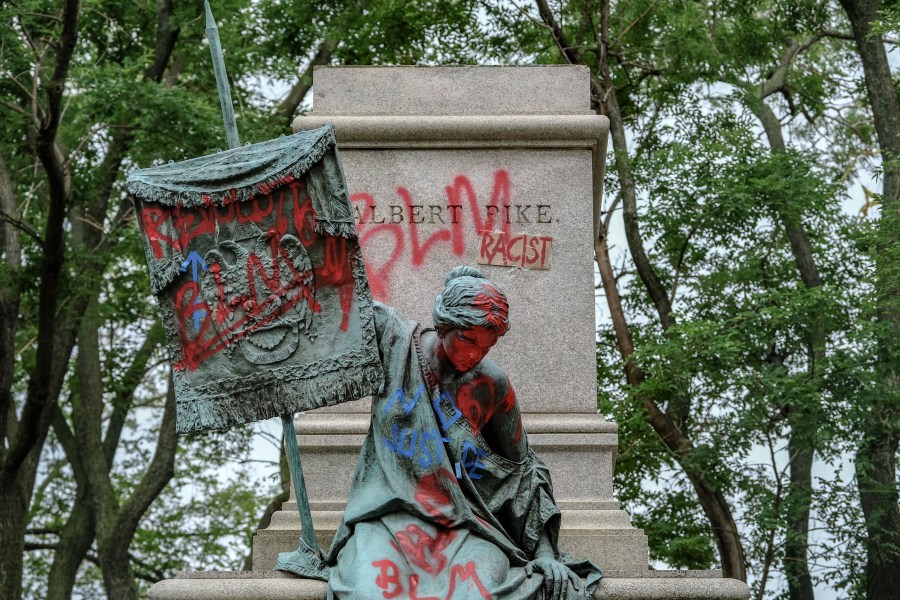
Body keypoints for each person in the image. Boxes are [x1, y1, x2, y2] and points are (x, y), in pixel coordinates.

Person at [326, 266, 602, 600]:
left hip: (467, 527)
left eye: (486, 347)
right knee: (368, 594)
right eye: (467, 340)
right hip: (388, 520)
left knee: (476, 594)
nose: (474, 355)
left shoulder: (490, 385)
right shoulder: (394, 341)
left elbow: (523, 471)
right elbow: (331, 300)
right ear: (444, 323)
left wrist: (544, 553)